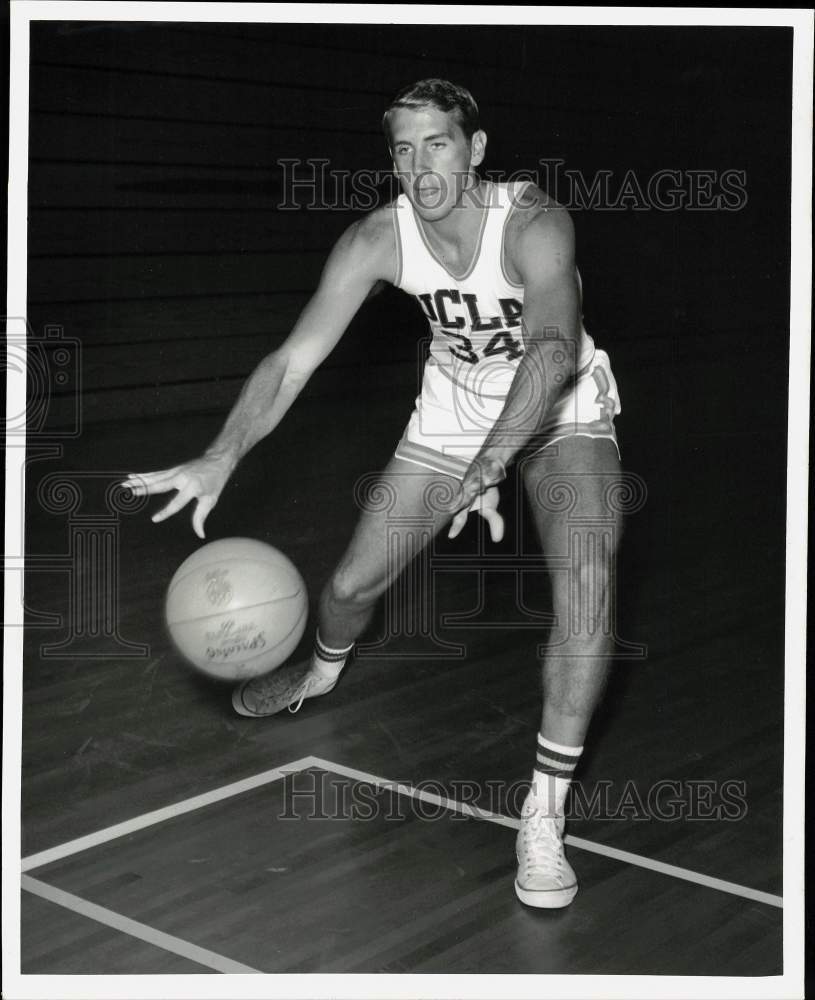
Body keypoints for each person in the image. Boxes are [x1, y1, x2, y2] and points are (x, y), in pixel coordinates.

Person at [124, 79, 623, 909]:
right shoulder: (375, 240)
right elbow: (290, 363)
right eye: (402, 149)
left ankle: (543, 813)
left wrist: (489, 466)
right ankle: (319, 673)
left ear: (477, 150)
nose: (419, 167)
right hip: (456, 405)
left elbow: (550, 352)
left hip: (561, 405)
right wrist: (220, 456)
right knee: (352, 586)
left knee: (586, 587)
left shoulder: (534, 222)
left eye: (437, 144)